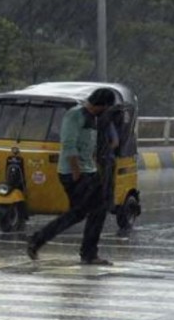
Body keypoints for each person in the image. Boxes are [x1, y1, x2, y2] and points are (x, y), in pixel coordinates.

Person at [26, 88, 117, 265]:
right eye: (107, 106)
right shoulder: (75, 115)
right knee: (79, 213)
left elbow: (88, 144)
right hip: (74, 173)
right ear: (102, 104)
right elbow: (69, 144)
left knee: (95, 210)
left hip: (89, 171)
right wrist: (77, 171)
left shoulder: (93, 118)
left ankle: (88, 253)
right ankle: (37, 240)